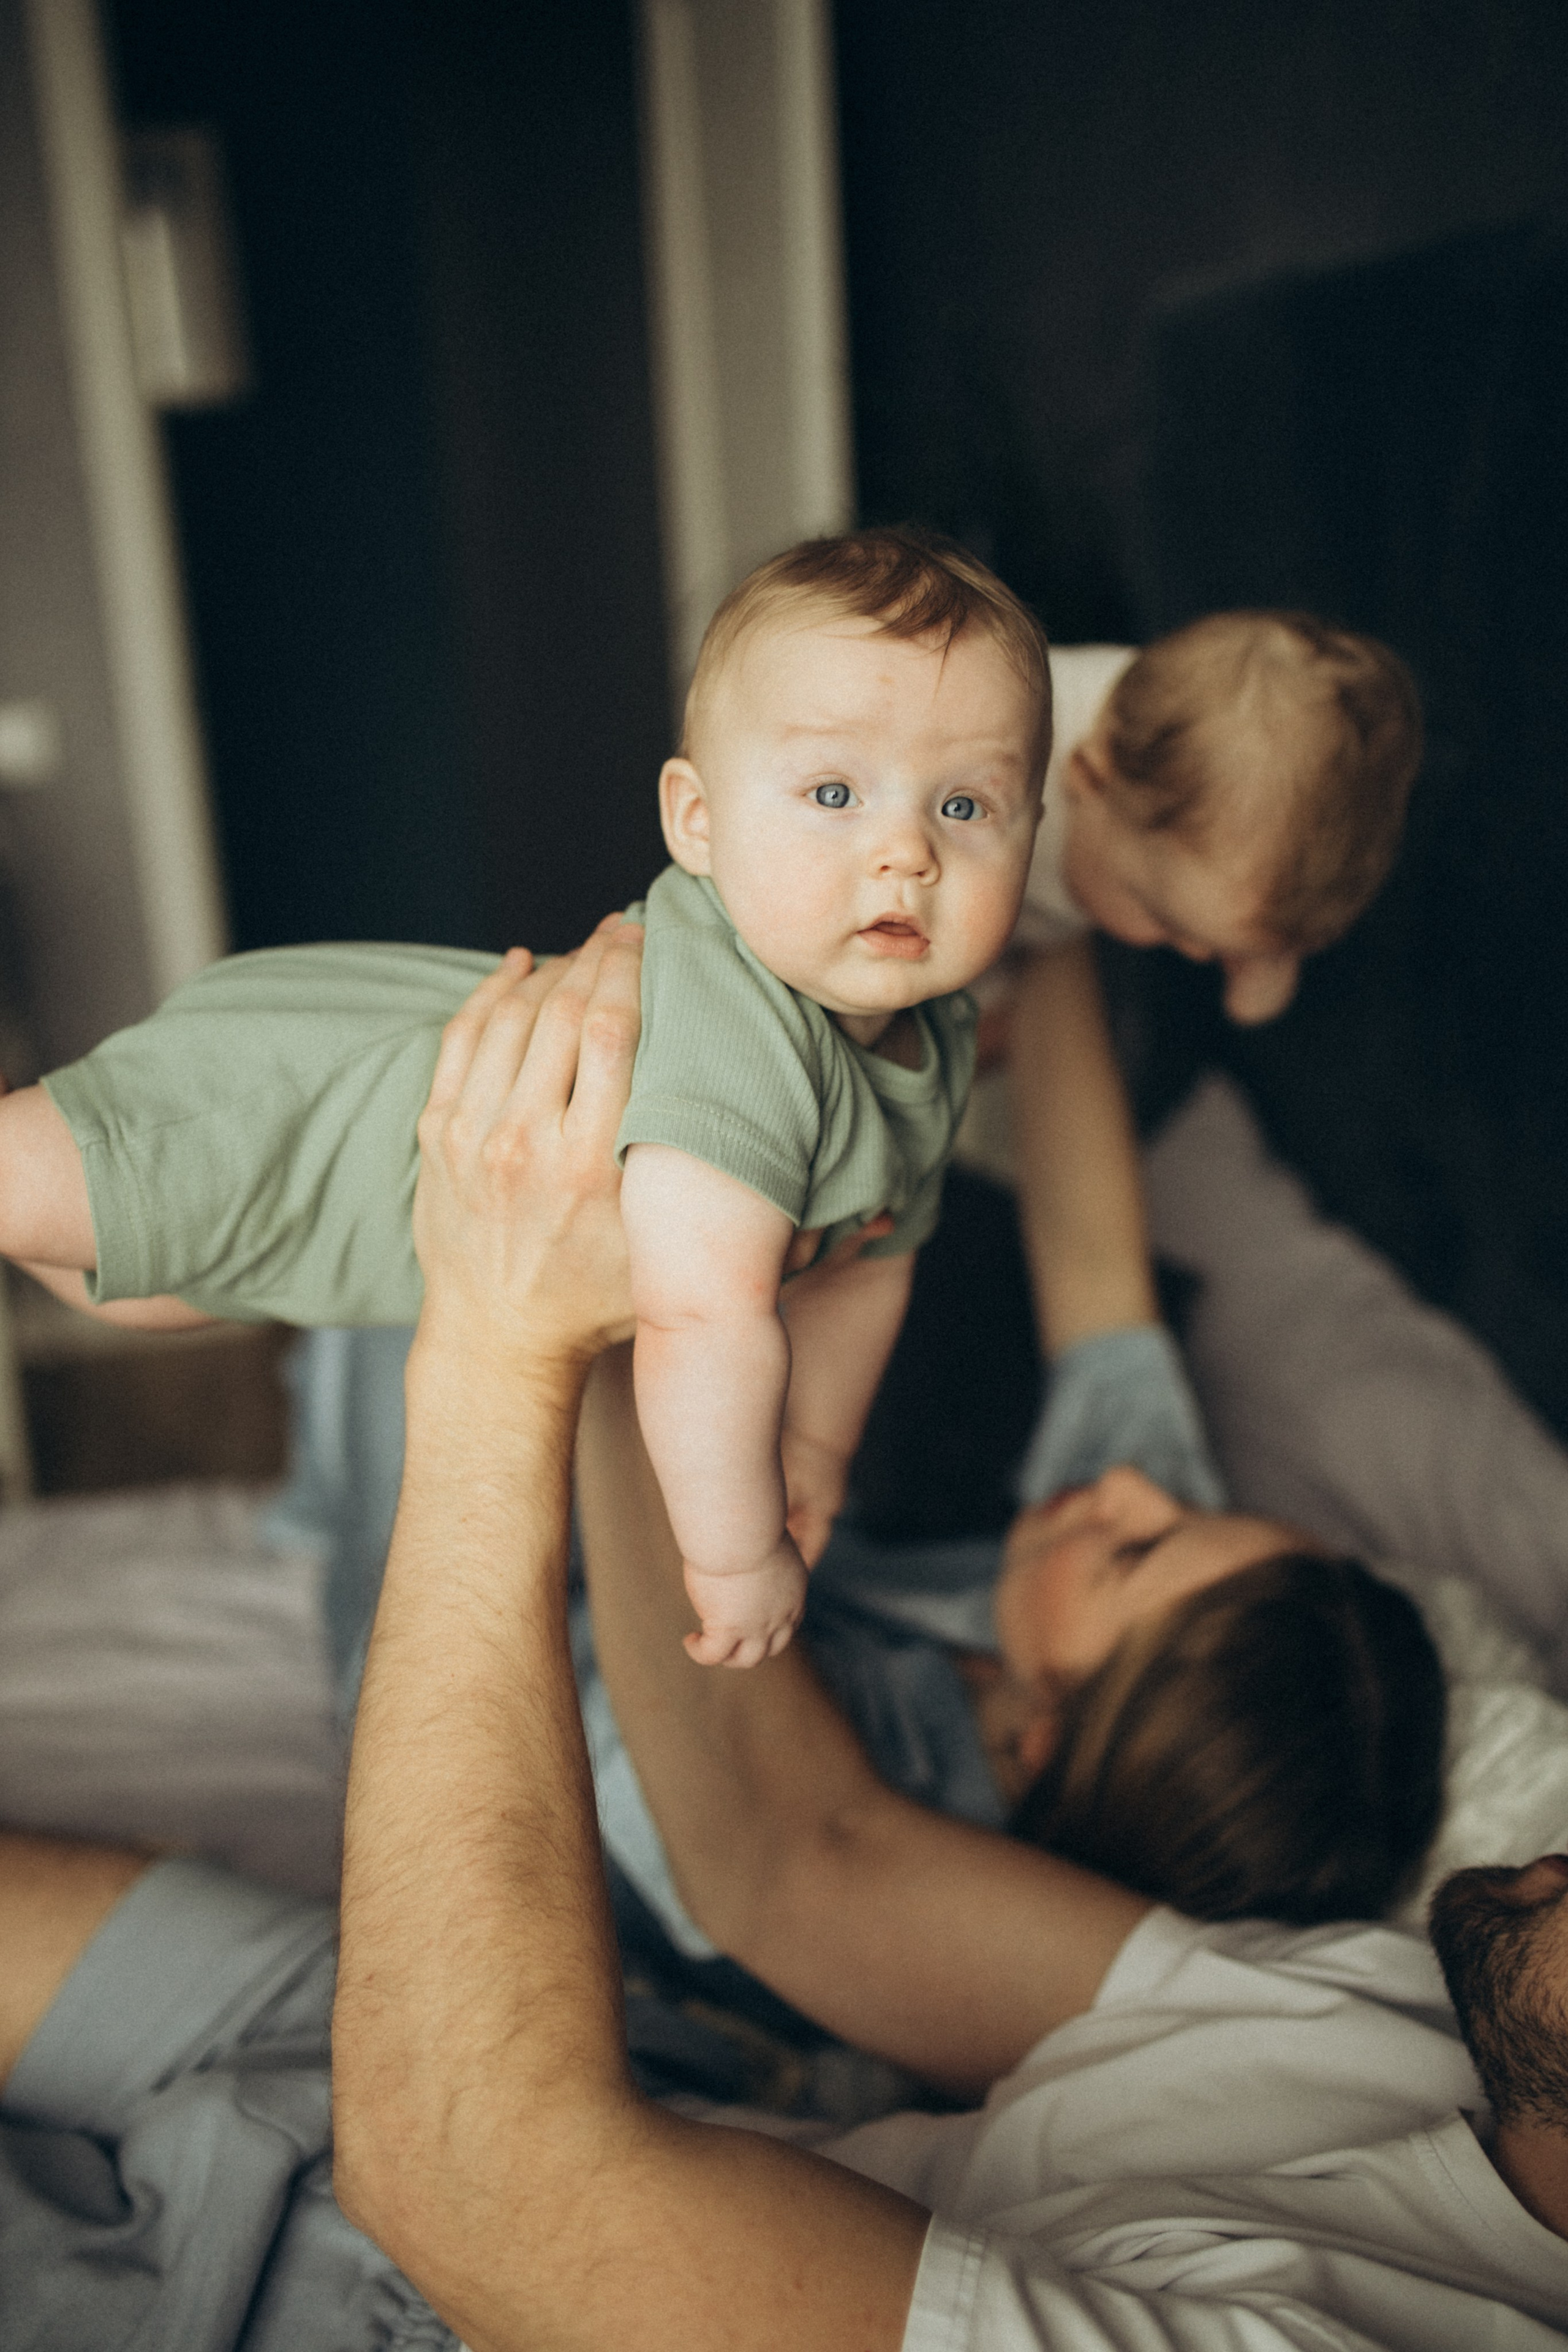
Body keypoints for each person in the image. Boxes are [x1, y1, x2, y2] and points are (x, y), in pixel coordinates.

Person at [1, 921, 1563, 2351]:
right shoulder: (1390, 2014)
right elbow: (790, 1854)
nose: (1123, 1493)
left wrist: (507, 1337)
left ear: (1037, 1727)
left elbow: (482, 2184)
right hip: (510, 2075)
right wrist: (657, 1281)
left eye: (1137, 1550)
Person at [0, 529, 1054, 1667]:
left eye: (963, 808)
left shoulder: (937, 1039)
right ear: (696, 821)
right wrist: (736, 1556)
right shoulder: (744, 1031)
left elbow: (869, 1268)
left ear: (1030, 832)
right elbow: (702, 1318)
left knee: (125, 1290)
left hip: (357, 1235)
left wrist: (816, 1451)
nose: (904, 852)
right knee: (36, 1189)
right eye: (836, 791)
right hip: (299, 1109)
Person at [999, 611, 1422, 1514]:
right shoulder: (991, 769)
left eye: (1211, 944)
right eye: (1167, 924)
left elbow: (1254, 918)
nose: (1184, 955)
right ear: (1089, 779)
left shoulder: (1199, 791)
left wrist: (1259, 953)